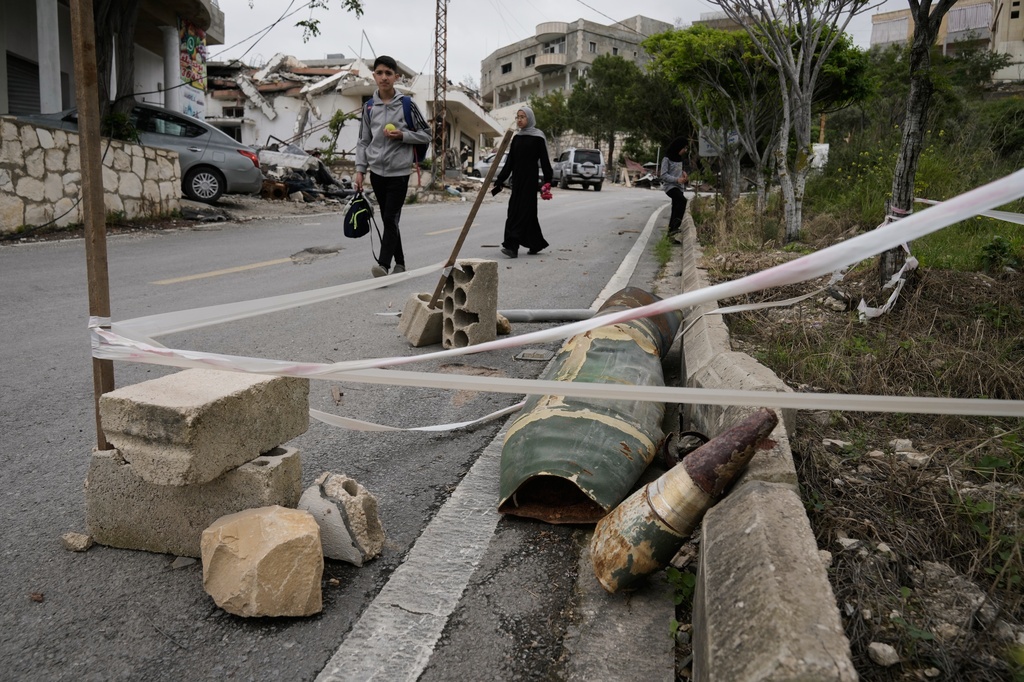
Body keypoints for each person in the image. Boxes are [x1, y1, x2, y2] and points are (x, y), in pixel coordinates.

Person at [355, 55, 432, 278]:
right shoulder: (369, 107)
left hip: (399, 172)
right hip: (377, 173)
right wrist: (360, 170)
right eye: (379, 73)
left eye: (388, 73)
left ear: (396, 77)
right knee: (389, 219)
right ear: (374, 76)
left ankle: (383, 265)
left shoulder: (407, 104)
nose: (384, 77)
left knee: (389, 218)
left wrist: (402, 135)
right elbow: (363, 141)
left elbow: (427, 134)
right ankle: (400, 262)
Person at [491, 106, 553, 258]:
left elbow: (544, 160)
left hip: (530, 180)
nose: (519, 120)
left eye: (522, 117)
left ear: (529, 118)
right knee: (519, 212)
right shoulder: (516, 138)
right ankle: (535, 243)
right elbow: (510, 162)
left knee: (521, 213)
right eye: (518, 117)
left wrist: (548, 180)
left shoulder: (538, 137)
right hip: (517, 180)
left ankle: (512, 246)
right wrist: (500, 179)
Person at [660, 136, 690, 238]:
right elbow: (663, 175)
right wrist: (677, 180)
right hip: (670, 187)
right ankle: (675, 228)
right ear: (678, 147)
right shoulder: (666, 159)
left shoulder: (679, 159)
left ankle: (671, 233)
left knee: (676, 207)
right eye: (684, 148)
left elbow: (677, 170)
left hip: (679, 187)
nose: (685, 150)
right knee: (682, 201)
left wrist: (683, 173)